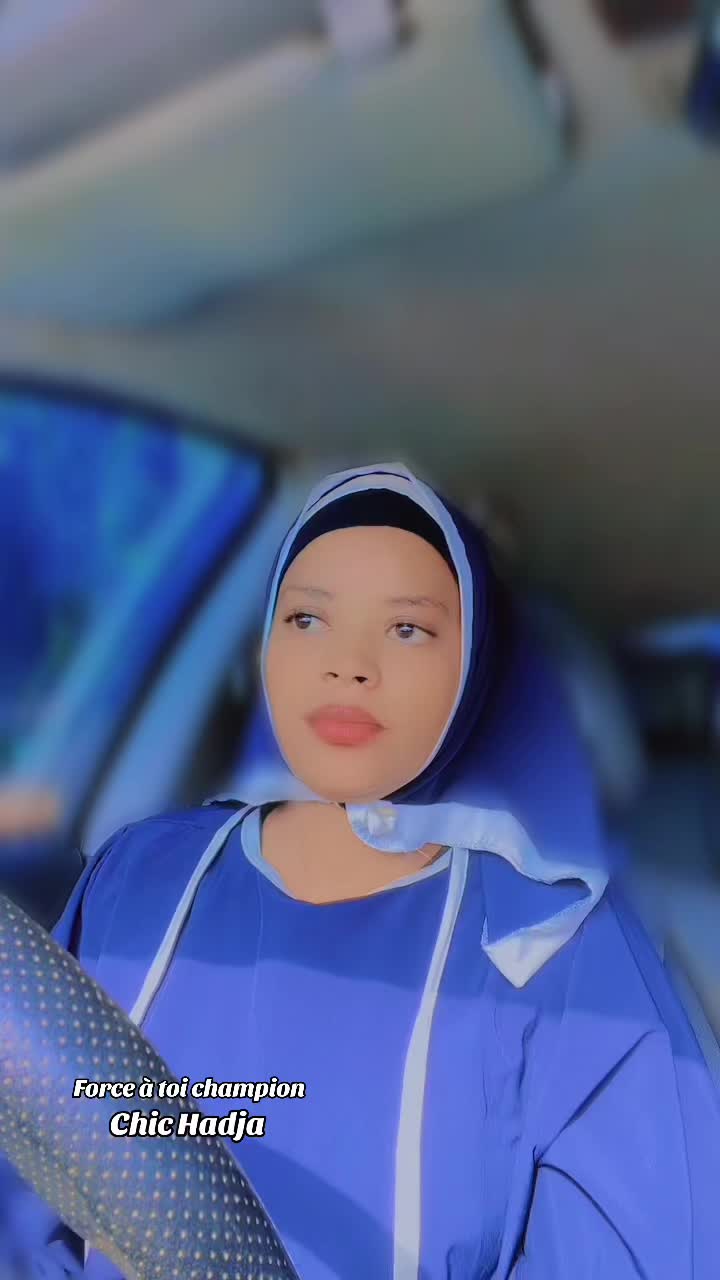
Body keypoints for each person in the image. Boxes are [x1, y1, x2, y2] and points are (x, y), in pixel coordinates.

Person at [1, 461, 719, 1279]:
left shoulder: (561, 952)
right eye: (307, 618)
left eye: (407, 628)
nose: (348, 665)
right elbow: (27, 1173)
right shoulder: (140, 871)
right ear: (265, 647)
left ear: (474, 667)